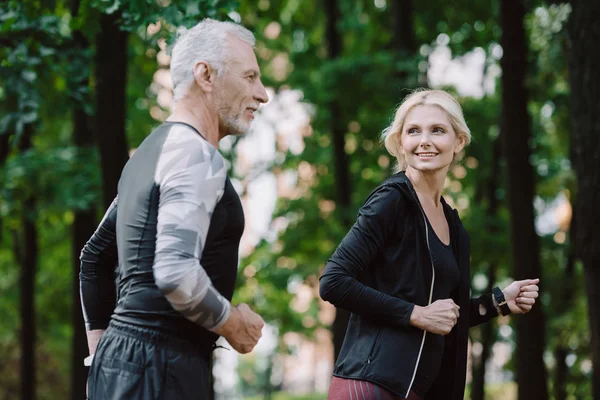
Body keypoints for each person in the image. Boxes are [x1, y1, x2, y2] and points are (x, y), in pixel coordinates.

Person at [79, 18, 269, 399]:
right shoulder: (196, 154)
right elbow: (176, 272)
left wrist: (103, 354)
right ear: (206, 74)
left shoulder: (150, 153)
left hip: (130, 365)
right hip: (160, 368)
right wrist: (233, 323)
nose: (262, 94)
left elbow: (94, 257)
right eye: (250, 77)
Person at [319, 89, 540, 400]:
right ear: (401, 143)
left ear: (458, 141)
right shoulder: (391, 200)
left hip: (418, 390)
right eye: (413, 131)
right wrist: (414, 314)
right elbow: (333, 282)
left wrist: (497, 302)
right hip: (371, 385)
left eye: (437, 130)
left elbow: (442, 316)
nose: (424, 140)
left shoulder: (453, 225)